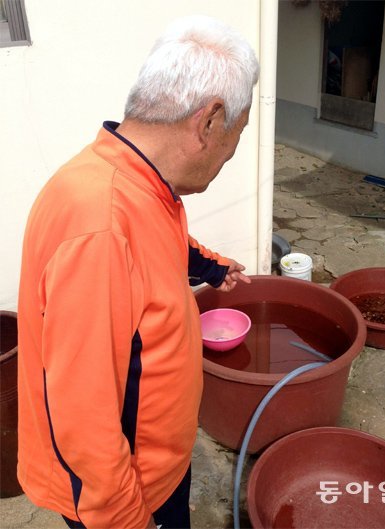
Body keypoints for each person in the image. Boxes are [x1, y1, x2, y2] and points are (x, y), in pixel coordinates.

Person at [17, 15, 259, 529]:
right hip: (127, 495)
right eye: (237, 135)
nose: (230, 155)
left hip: (158, 467)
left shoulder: (136, 180)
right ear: (209, 121)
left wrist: (210, 266)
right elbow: (83, 424)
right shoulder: (99, 226)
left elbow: (156, 244)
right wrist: (130, 521)